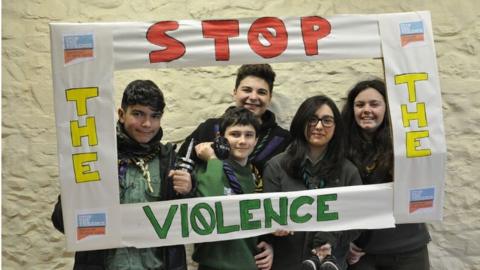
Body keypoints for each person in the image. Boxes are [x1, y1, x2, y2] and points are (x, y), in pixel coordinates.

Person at [51, 80, 194, 270]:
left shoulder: (169, 161)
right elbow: (62, 222)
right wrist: (79, 190)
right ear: (121, 114)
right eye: (138, 114)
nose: (147, 123)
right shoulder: (94, 157)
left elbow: (192, 223)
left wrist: (189, 191)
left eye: (155, 116)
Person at [263, 95, 362, 270]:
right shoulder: (276, 166)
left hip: (330, 264)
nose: (318, 126)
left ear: (336, 127)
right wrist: (274, 226)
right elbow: (267, 214)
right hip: (286, 263)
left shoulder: (348, 172)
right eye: (312, 119)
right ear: (301, 122)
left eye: (327, 120)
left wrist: (333, 238)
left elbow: (358, 222)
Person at [341, 79, 430, 270]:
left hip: (407, 250)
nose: (366, 109)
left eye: (374, 104)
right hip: (361, 254)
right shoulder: (340, 148)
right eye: (359, 104)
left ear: (388, 108)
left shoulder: (406, 145)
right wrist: (344, 241)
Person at [178, 64, 291, 184]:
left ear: (269, 98)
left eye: (261, 92)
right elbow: (181, 166)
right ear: (235, 92)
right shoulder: (209, 128)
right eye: (247, 90)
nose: (253, 97)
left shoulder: (283, 139)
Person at [191, 107, 273, 270]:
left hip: (249, 264)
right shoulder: (207, 169)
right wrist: (213, 159)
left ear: (256, 140)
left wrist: (269, 246)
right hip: (213, 266)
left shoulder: (255, 176)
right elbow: (212, 204)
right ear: (220, 138)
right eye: (235, 134)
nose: (242, 141)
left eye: (249, 135)